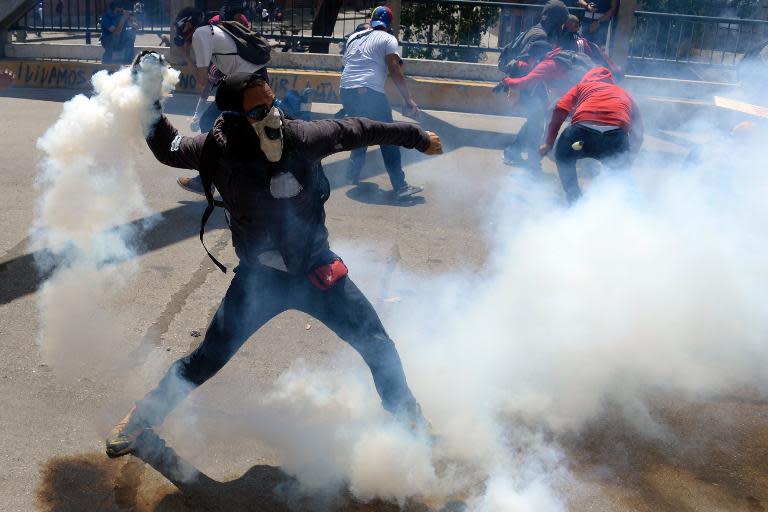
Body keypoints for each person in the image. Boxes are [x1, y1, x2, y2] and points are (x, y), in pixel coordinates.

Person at [105, 57, 443, 458]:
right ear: (232, 119)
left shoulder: (302, 137)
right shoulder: (216, 149)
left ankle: (407, 418)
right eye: (258, 111)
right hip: (258, 282)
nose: (274, 117)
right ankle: (144, 416)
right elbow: (167, 145)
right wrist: (149, 97)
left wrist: (416, 137)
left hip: (318, 272)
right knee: (204, 360)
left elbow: (360, 128)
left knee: (377, 345)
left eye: (273, 104)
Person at [172, 6, 268, 194]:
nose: (178, 32)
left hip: (248, 85)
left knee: (211, 123)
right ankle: (225, 178)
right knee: (233, 130)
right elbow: (211, 80)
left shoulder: (201, 34)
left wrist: (185, 55)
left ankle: (208, 181)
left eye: (179, 27)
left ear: (189, 24)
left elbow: (201, 80)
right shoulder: (211, 32)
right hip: (251, 82)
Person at [339, 6, 423, 200]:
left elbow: (346, 66)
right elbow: (395, 70)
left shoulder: (354, 37)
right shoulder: (388, 39)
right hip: (367, 91)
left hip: (346, 90)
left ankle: (350, 174)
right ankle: (400, 186)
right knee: (389, 136)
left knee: (362, 131)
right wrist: (408, 100)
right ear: (390, 24)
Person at [539, 67, 643, 203]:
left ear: (587, 78)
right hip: (616, 136)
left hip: (581, 134)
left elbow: (559, 109)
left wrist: (549, 143)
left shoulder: (582, 87)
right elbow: (639, 130)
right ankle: (619, 206)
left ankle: (574, 198)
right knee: (620, 176)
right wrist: (629, 157)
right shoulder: (624, 93)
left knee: (563, 154)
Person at [497, 0, 569, 169]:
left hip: (532, 85)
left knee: (535, 120)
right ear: (554, 20)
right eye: (560, 23)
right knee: (536, 121)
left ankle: (518, 154)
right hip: (529, 87)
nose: (561, 28)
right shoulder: (540, 36)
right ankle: (526, 159)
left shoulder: (538, 30)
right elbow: (525, 64)